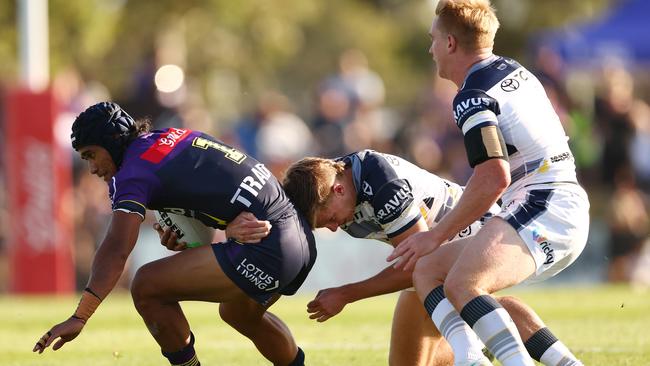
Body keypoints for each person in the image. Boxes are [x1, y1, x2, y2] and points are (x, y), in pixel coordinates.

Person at [231, 150, 582, 366]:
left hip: (477, 238)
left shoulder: (382, 184)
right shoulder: (338, 189)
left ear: (338, 189)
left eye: (331, 219)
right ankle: (486, 338)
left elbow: (419, 264)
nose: (335, 228)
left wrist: (346, 293)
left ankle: (536, 352)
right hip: (439, 257)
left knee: (448, 290)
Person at [32, 102, 316, 366]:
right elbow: (218, 186)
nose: (92, 168)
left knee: (146, 286)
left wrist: (81, 316)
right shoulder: (167, 137)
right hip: (298, 237)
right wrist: (201, 232)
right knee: (238, 314)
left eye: (92, 155)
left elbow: (117, 248)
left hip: (268, 245)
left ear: (111, 143)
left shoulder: (131, 174)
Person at [388, 1, 589, 365]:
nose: (430, 49)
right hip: (553, 199)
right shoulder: (514, 69)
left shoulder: (471, 95)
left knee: (464, 284)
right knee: (429, 270)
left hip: (545, 203)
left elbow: (494, 176)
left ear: (450, 43)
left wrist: (436, 233)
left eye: (433, 39)